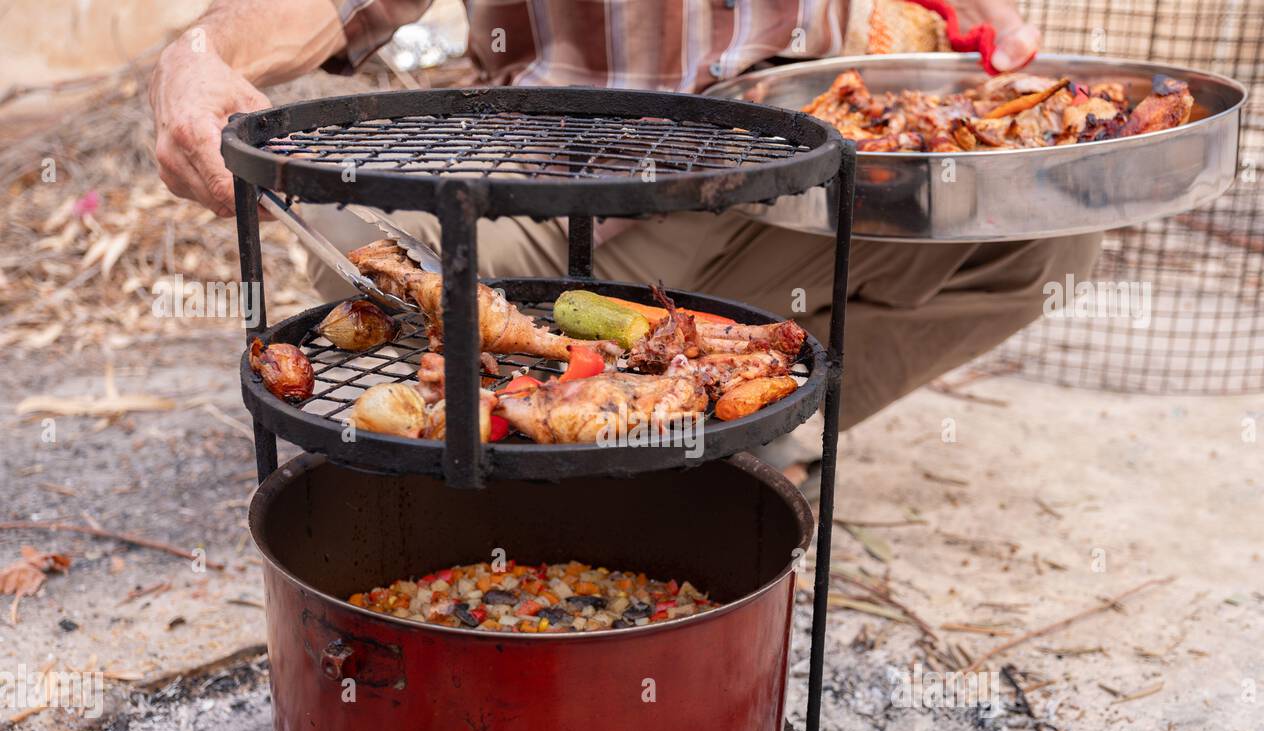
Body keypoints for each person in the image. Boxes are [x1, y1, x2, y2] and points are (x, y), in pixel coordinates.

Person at [150, 0, 1099, 479]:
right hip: (547, 207)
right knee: (372, 275)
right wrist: (200, 57)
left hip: (782, 203)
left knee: (1040, 238)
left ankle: (733, 448)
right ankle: (569, 440)